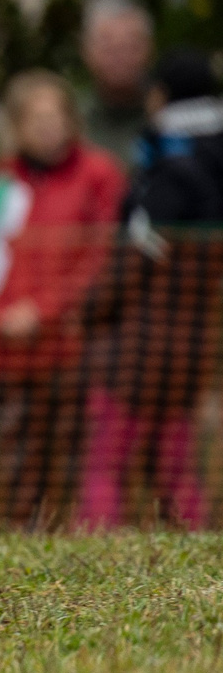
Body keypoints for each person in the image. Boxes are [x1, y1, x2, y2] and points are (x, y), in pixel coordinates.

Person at [0, 72, 125, 528]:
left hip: (74, 349)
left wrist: (45, 310)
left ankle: (78, 553)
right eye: (35, 118)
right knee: (19, 466)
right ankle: (26, 548)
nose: (46, 126)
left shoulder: (99, 175)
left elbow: (101, 255)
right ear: (16, 125)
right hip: (7, 354)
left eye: (55, 115)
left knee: (77, 461)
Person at [77, 49, 223, 529]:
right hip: (196, 337)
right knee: (176, 460)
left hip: (139, 342)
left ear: (162, 94)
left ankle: (98, 546)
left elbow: (142, 249)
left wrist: (94, 306)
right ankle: (197, 543)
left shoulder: (168, 161)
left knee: (106, 459)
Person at [81, 0, 156, 169]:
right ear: (86, 51)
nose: (121, 55)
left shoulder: (171, 117)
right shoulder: (71, 123)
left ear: (150, 49)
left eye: (132, 45)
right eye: (108, 46)